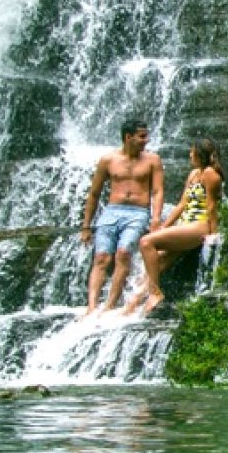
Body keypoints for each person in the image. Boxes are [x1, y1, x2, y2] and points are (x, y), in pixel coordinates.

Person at [123, 138, 223, 316]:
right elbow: (181, 204)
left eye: (192, 151)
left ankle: (155, 294)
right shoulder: (194, 174)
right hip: (185, 224)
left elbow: (211, 207)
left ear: (200, 154)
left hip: (200, 225)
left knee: (146, 243)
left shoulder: (210, 174)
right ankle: (131, 308)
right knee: (156, 263)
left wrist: (213, 235)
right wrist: (163, 227)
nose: (189, 155)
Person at [79, 119, 164, 316]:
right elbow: (94, 193)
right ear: (128, 137)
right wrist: (86, 226)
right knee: (101, 257)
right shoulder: (108, 160)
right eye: (142, 136)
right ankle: (91, 307)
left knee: (124, 253)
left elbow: (158, 191)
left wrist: (156, 218)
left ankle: (109, 305)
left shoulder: (153, 160)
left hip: (138, 213)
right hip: (111, 211)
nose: (146, 140)